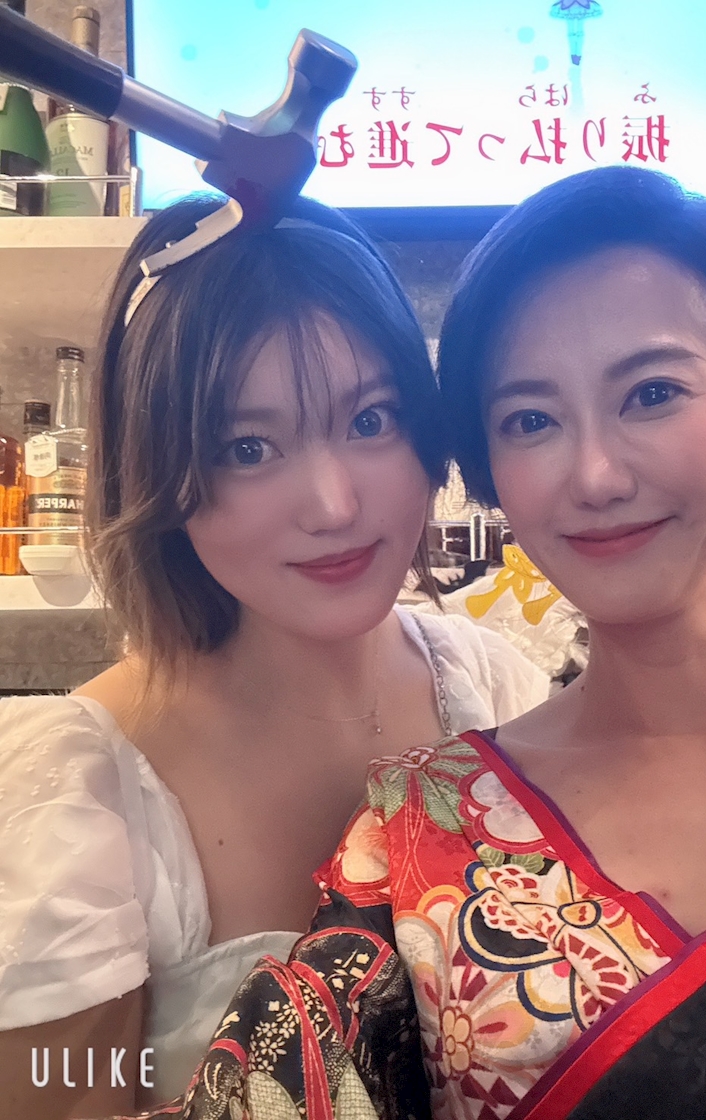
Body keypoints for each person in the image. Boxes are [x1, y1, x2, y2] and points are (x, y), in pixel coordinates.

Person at [98, 165, 706, 1120]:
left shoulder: (484, 682)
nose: (596, 474)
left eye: (652, 392)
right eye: (531, 420)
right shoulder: (420, 831)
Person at [0, 195, 550, 1119]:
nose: (333, 504)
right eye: (248, 447)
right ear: (157, 474)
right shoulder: (74, 794)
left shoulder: (497, 690)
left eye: (370, 419)